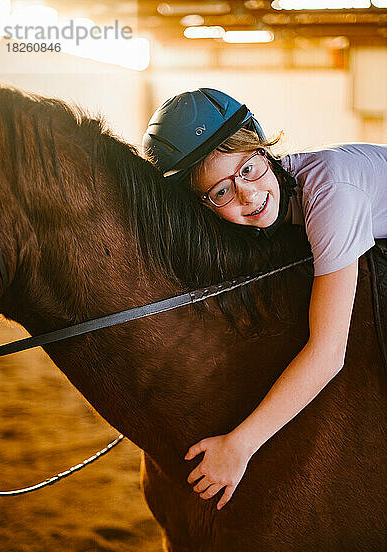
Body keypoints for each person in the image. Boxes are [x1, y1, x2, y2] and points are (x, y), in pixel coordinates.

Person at [142, 88, 387, 510]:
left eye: (249, 168)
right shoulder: (273, 192)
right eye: (221, 192)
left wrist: (240, 445)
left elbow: (328, 355)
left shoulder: (330, 195)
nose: (248, 196)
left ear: (263, 152)